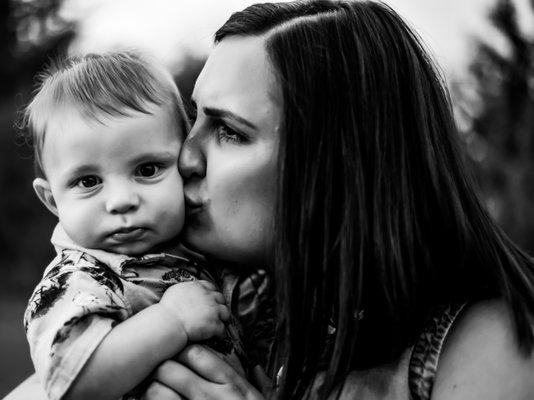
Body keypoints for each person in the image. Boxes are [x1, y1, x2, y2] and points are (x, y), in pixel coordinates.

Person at [7, 1, 534, 399]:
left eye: (230, 132)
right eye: (195, 120)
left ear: (334, 160)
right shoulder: (242, 294)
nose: (184, 157)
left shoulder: (491, 340)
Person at [20, 52, 250, 400]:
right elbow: (70, 384)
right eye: (88, 181)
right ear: (52, 200)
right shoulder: (79, 280)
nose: (121, 200)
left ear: (184, 164)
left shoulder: (205, 252)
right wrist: (172, 320)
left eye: (146, 170)